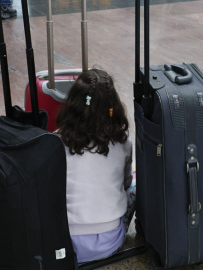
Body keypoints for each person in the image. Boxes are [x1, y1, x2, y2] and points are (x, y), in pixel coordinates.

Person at [56, 69, 133, 264]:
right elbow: (126, 183)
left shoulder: (55, 142)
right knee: (134, 186)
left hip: (64, 243)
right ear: (113, 107)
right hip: (110, 242)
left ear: (72, 104)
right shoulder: (123, 142)